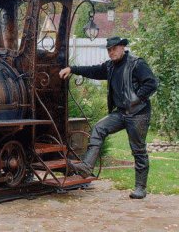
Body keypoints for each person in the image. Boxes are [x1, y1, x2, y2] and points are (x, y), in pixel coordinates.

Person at [59, 36, 158, 199]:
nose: (111, 52)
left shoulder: (136, 64)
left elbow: (151, 83)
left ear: (122, 48)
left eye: (113, 49)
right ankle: (86, 167)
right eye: (108, 50)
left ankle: (140, 187)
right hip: (120, 113)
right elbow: (92, 70)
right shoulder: (110, 66)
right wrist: (72, 69)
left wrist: (135, 99)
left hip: (138, 114)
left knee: (138, 150)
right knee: (99, 128)